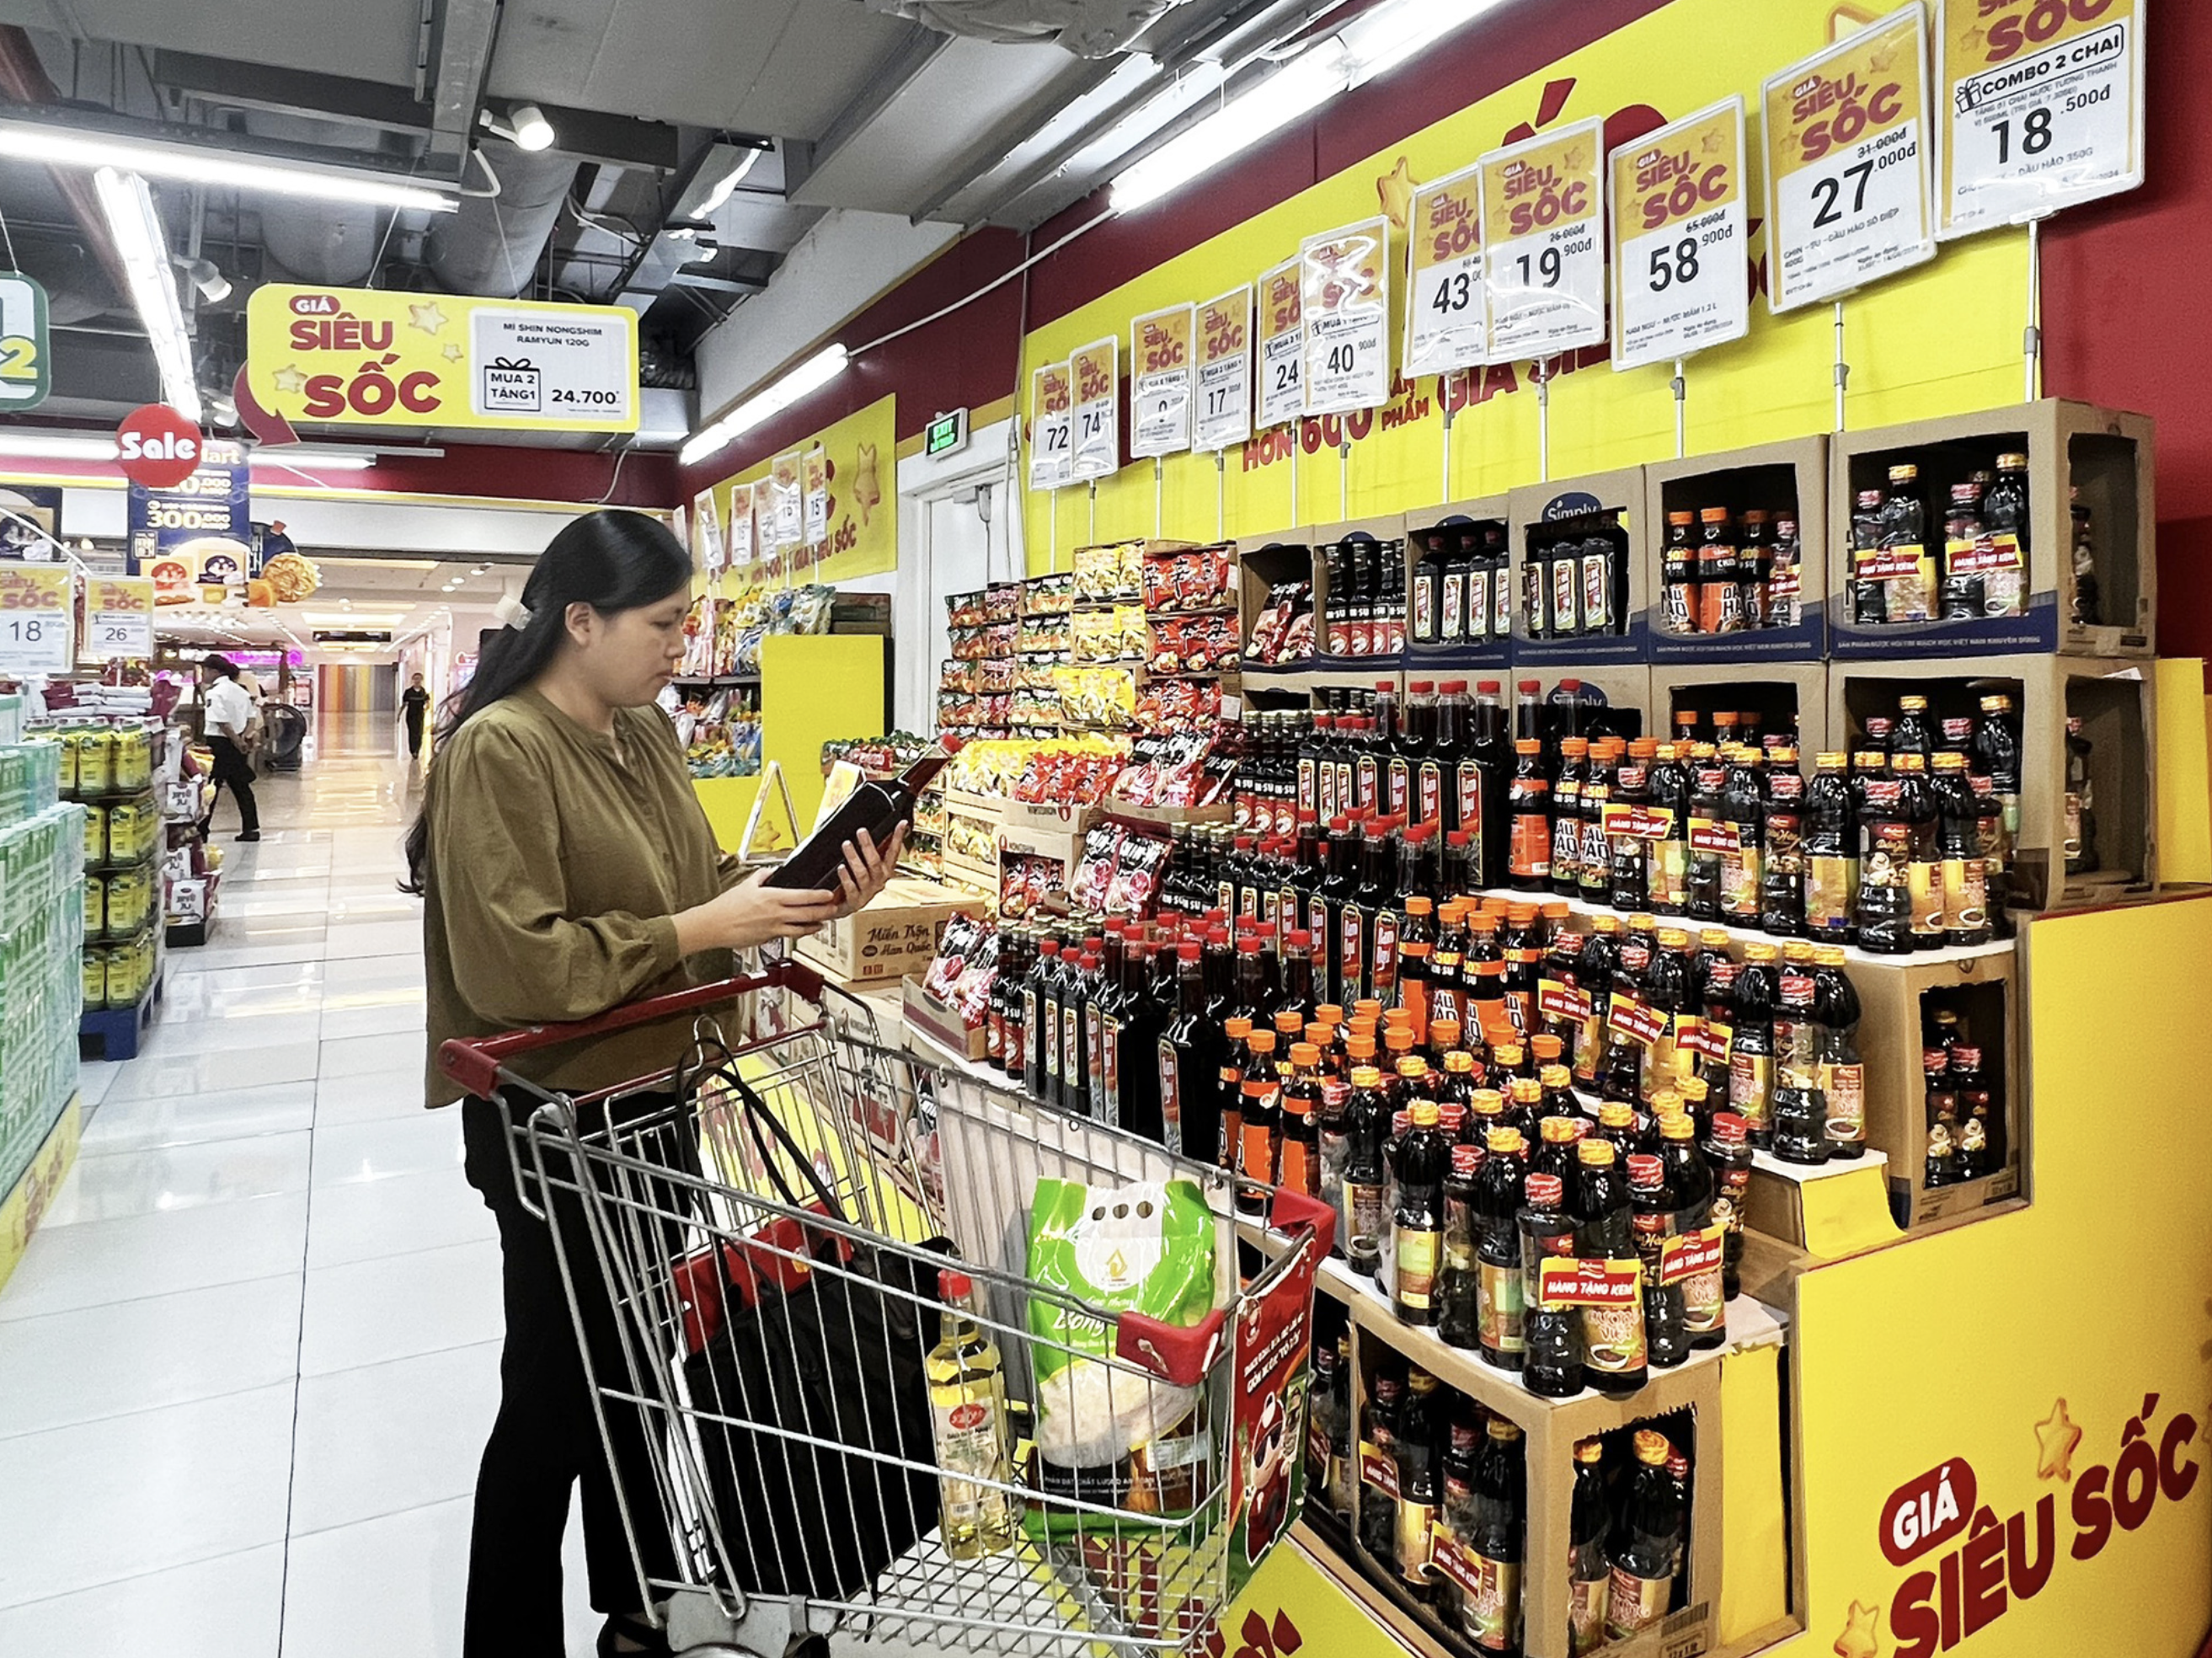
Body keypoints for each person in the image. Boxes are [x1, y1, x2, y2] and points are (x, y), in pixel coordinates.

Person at [407, 509, 900, 1658]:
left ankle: (643, 1606)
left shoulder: (645, 736)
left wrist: (815, 892)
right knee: (552, 1396)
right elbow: (514, 959)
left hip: (650, 1103)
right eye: (665, 622)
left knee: (631, 1372)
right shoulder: (500, 749)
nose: (685, 643)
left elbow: (700, 884)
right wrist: (696, 924)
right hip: (551, 1125)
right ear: (581, 622)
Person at [198, 654, 260, 842]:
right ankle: (251, 828)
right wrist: (244, 737)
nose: (203, 675)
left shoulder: (214, 692)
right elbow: (251, 717)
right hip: (236, 743)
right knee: (241, 787)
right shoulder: (240, 690)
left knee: (212, 787)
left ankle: (202, 829)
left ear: (214, 671)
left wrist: (236, 740)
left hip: (220, 744)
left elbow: (222, 722)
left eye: (205, 671)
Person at [402, 671, 430, 758]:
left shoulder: (423, 692)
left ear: (421, 680)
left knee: (419, 733)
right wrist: (399, 714)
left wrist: (426, 709)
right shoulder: (408, 692)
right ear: (413, 680)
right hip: (411, 715)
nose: (417, 680)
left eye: (419, 679)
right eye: (415, 679)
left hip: (420, 715)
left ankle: (417, 749)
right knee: (412, 732)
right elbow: (404, 704)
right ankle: (413, 750)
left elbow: (427, 703)